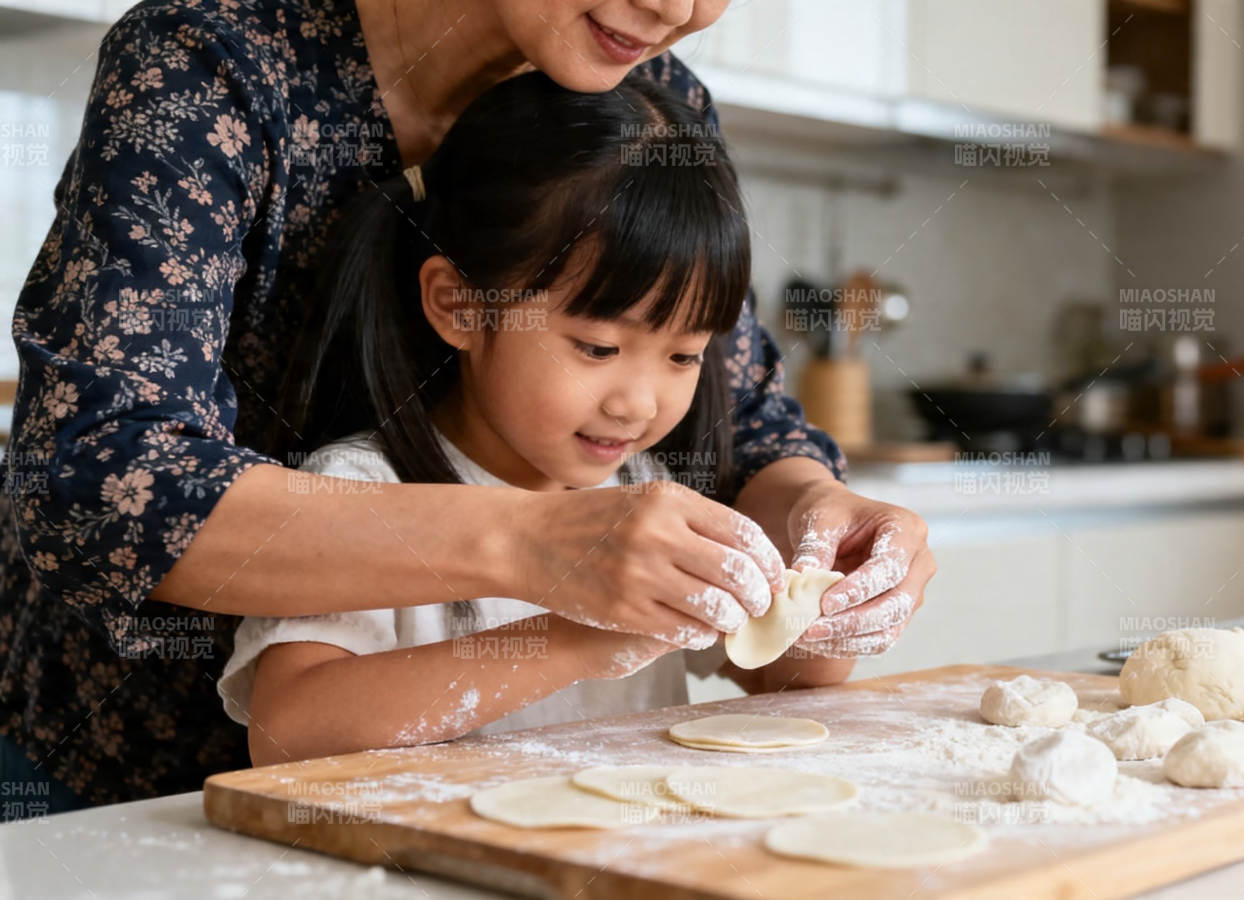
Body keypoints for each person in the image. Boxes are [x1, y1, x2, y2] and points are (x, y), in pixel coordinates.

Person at [1, 0, 933, 812]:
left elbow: (749, 440)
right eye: (597, 347)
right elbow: (103, 484)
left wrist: (824, 535)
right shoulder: (217, 64)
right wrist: (540, 555)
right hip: (122, 784)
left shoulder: (651, 101)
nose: (677, 7)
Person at [218, 70, 855, 763]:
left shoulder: (648, 492)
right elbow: (288, 732)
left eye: (684, 356)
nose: (637, 404)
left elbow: (777, 675)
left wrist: (825, 613)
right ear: (462, 307)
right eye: (598, 347)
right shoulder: (363, 490)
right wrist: (586, 637)